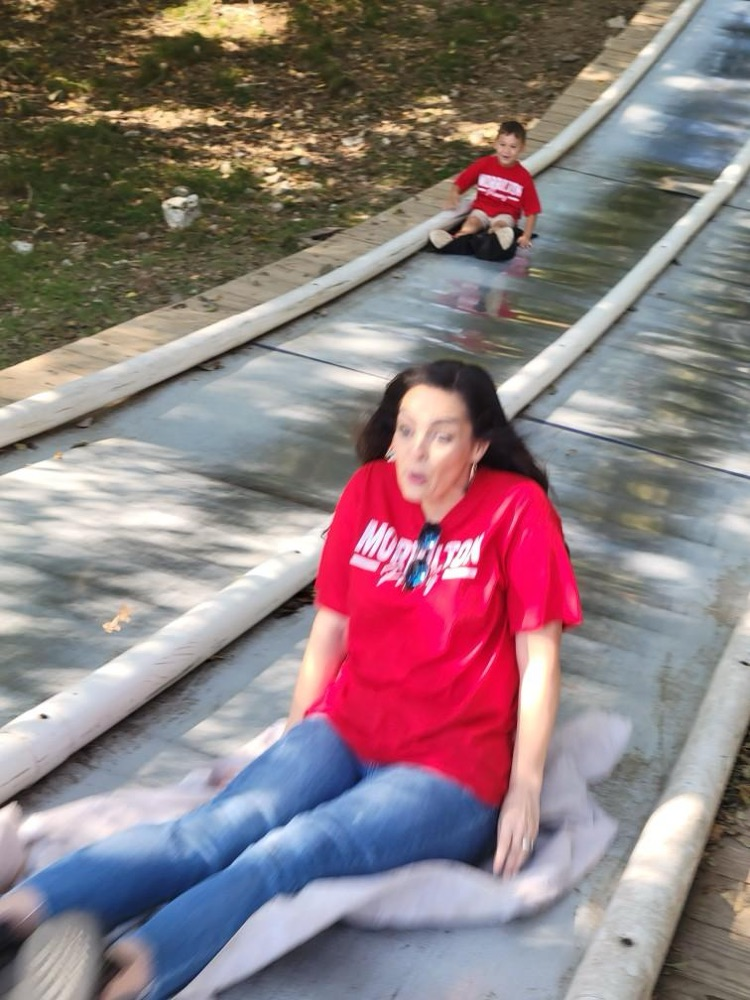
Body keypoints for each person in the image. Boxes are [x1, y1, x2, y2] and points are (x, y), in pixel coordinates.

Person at [0, 360, 581, 1000]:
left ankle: (119, 977)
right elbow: (330, 629)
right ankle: (19, 916)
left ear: (478, 445)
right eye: (407, 430)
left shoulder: (516, 512)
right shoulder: (369, 489)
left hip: (447, 771)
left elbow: (540, 661)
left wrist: (524, 787)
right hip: (345, 727)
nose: (416, 452)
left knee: (291, 850)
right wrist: (297, 729)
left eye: (441, 436)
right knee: (217, 829)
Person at [429, 120, 541, 253]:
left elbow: (532, 211)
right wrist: (453, 196)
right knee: (472, 222)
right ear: (495, 144)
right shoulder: (484, 164)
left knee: (500, 225)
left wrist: (526, 236)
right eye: (502, 144)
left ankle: (496, 238)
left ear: (522, 148)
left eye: (513, 146)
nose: (506, 151)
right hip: (481, 210)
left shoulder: (523, 177)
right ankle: (455, 239)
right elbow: (461, 182)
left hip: (506, 214)